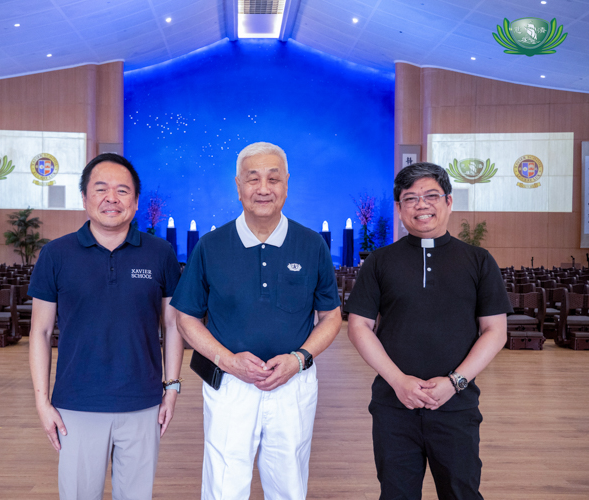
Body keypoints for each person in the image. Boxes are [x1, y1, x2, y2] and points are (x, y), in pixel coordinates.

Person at [172, 142, 342, 500]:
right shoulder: (210, 246)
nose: (263, 189)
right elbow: (186, 317)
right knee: (224, 484)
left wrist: (299, 359)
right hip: (229, 384)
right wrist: (228, 361)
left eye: (273, 178)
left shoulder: (312, 245)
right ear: (238, 186)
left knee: (289, 484)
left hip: (293, 382)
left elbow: (331, 317)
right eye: (253, 179)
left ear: (287, 184)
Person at [345, 162, 512, 500]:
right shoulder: (379, 261)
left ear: (449, 202)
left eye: (431, 196)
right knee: (396, 494)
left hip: (456, 404)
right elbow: (358, 326)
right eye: (410, 198)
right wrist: (398, 381)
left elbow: (495, 330)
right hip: (393, 406)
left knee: (461, 492)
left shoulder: (478, 260)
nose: (421, 205)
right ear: (400, 208)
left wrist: (455, 382)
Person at [28, 153, 183, 500]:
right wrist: (41, 402)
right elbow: (39, 332)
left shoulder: (160, 253)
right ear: (84, 198)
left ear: (136, 201)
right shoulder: (55, 254)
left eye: (122, 190)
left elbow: (172, 324)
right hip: (76, 404)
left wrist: (171, 388)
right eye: (100, 189)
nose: (111, 198)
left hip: (144, 404)